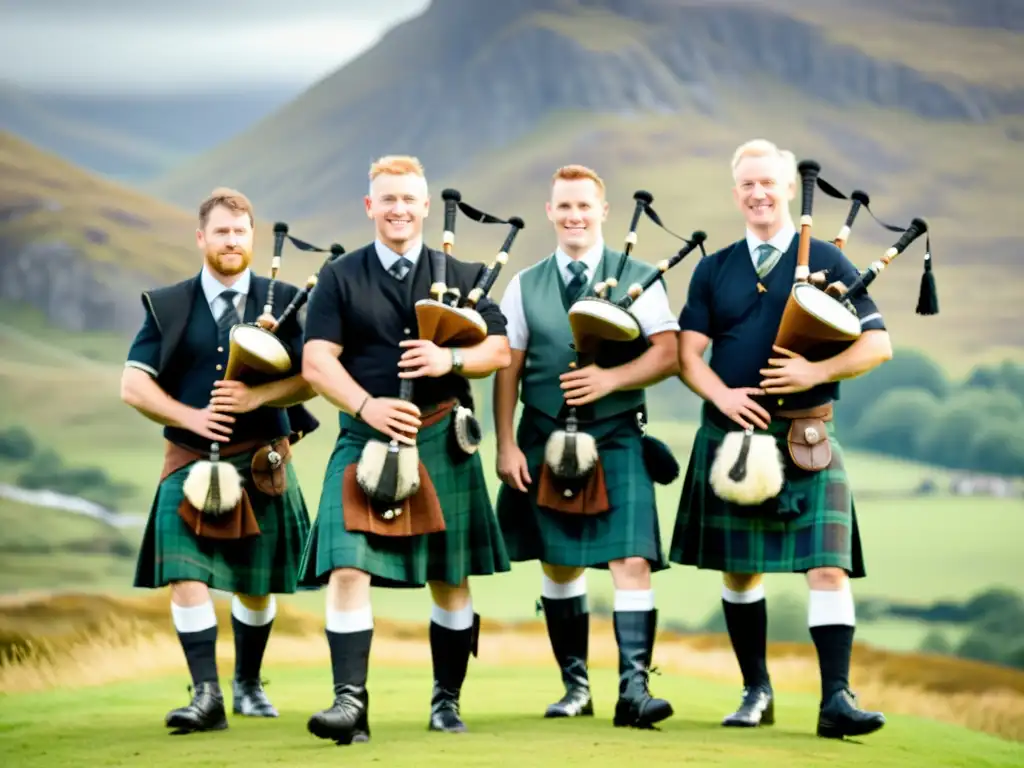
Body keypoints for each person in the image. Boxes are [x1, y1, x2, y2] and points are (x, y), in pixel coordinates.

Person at [670, 138, 891, 739]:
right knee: (740, 573)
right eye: (747, 184)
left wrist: (814, 372)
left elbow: (878, 344)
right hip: (733, 435)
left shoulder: (827, 259)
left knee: (828, 569)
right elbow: (688, 355)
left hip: (805, 435)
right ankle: (755, 691)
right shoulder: (714, 268)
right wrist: (722, 396)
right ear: (735, 192)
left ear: (790, 188)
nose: (759, 193)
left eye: (769, 182)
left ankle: (836, 700)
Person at [298, 155, 512, 745]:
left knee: (451, 575)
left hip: (443, 434)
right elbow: (316, 362)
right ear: (371, 207)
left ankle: (446, 700)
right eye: (386, 199)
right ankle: (350, 704)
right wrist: (367, 407)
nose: (397, 209)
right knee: (346, 566)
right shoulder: (340, 277)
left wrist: (451, 360)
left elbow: (501, 351)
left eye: (407, 199)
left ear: (423, 207)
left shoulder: (463, 274)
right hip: (363, 436)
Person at [120, 187, 318, 734]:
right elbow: (133, 385)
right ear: (202, 238)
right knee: (186, 573)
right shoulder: (170, 304)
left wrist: (258, 398)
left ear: (251, 238)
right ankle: (205, 695)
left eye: (240, 232)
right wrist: (190, 416)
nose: (232, 241)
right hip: (188, 460)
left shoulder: (284, 300)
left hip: (263, 461)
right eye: (222, 232)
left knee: (256, 586)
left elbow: (313, 378)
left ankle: (248, 683)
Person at [493, 164, 679, 729]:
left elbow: (667, 354)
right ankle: (575, 686)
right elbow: (507, 369)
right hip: (542, 434)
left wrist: (611, 381)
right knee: (558, 564)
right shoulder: (524, 284)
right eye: (564, 207)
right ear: (550, 213)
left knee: (631, 560)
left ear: (602, 212)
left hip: (617, 432)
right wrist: (505, 444)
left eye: (584, 206)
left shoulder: (640, 277)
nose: (574, 216)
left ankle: (634, 690)